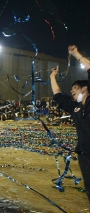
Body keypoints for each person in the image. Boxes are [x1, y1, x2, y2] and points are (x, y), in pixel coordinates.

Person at [50, 45, 90, 204]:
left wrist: (75, 54)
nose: (72, 91)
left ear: (85, 88)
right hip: (85, 154)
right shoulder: (75, 106)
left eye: (75, 88)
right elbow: (58, 96)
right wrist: (53, 76)